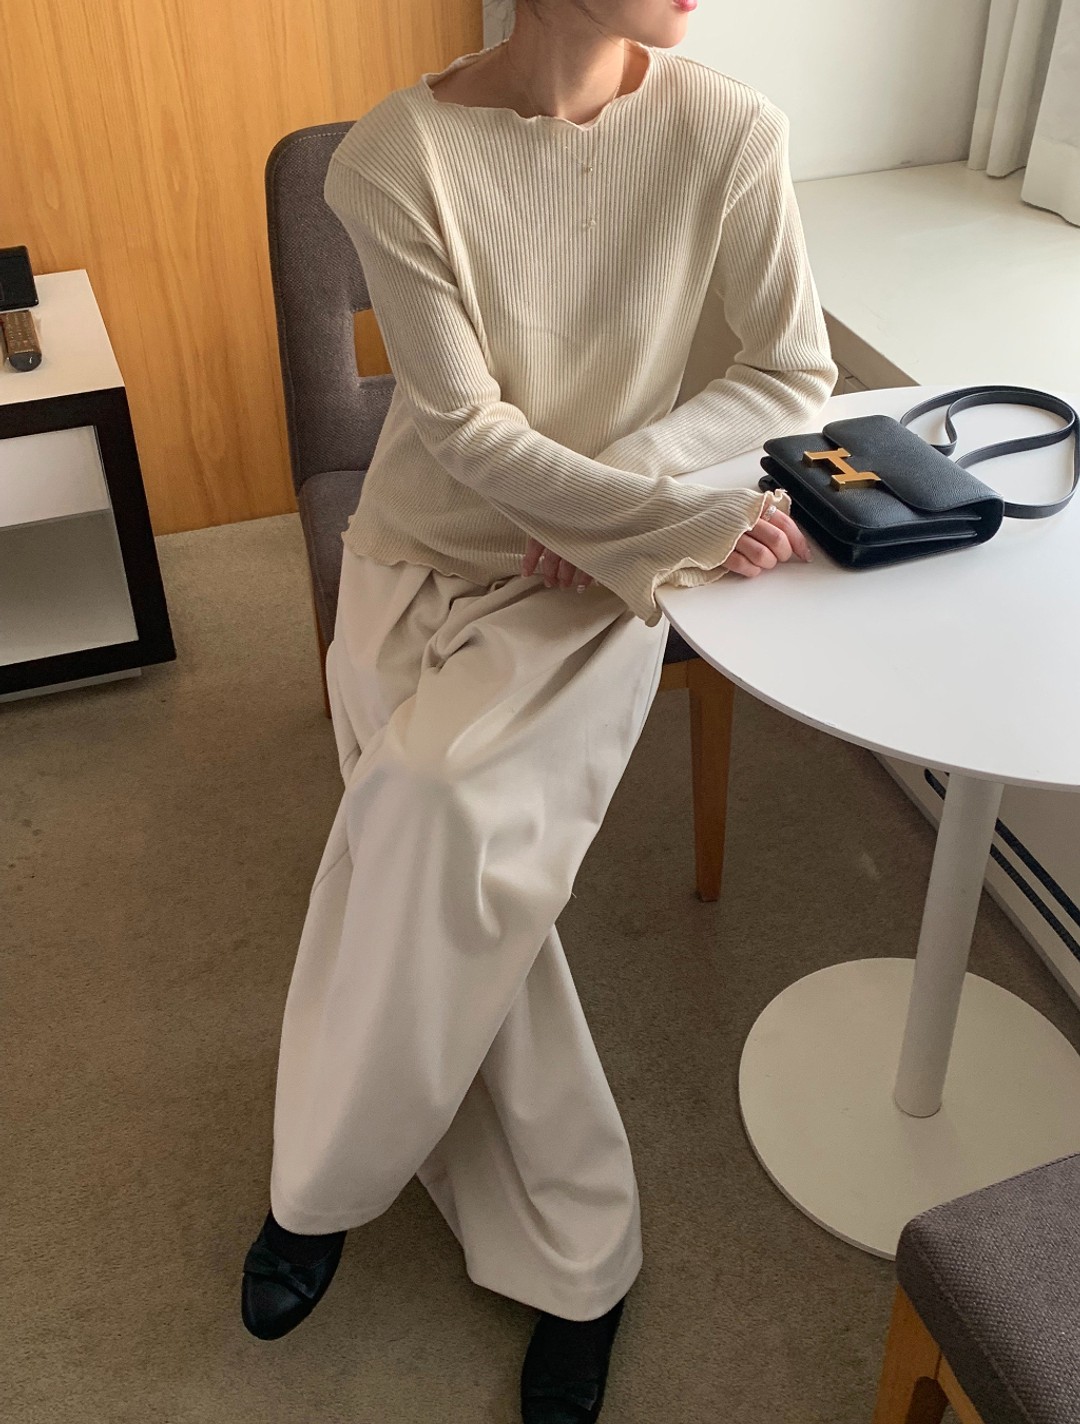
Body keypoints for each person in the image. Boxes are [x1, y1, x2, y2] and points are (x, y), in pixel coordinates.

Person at [241, 0, 836, 1417]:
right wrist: (657, 516)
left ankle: (321, 1189)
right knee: (450, 874)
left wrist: (625, 503)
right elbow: (462, 431)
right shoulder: (394, 159)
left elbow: (790, 370)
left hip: (597, 580)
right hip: (417, 554)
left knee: (430, 811)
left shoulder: (731, 127)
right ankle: (581, 1266)